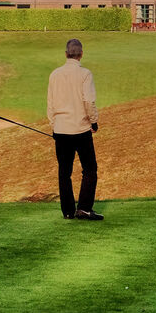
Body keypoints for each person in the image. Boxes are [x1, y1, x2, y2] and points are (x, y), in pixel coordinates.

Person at [48, 38, 102, 220]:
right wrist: (94, 122)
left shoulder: (54, 74)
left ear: (66, 54)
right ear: (81, 54)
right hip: (81, 129)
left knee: (64, 172)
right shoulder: (85, 74)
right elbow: (88, 101)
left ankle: (68, 212)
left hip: (61, 130)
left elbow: (50, 105)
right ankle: (84, 208)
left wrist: (54, 126)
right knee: (90, 169)